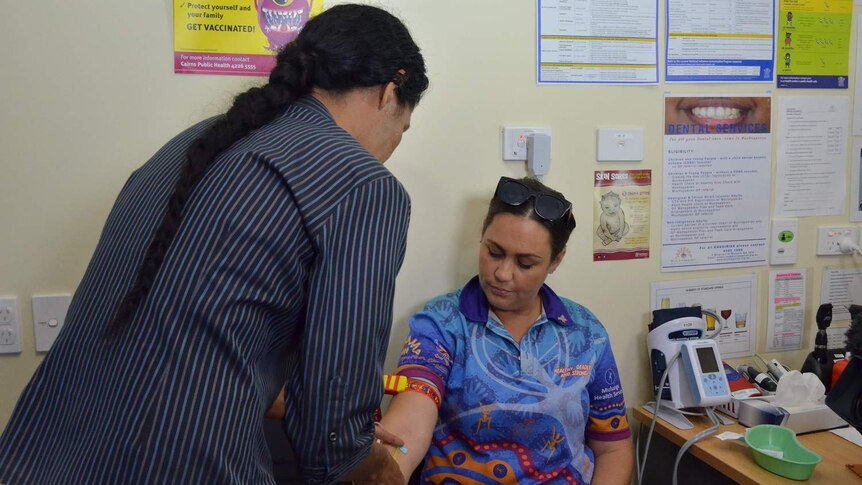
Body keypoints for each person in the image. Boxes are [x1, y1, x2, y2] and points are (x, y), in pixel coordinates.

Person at [0, 4, 428, 485]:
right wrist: (375, 464)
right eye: (402, 130)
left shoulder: (193, 144)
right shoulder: (363, 185)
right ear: (393, 90)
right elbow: (331, 438)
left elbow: (196, 341)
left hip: (36, 456)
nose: (391, 150)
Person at [379, 177, 633, 484]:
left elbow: (612, 449)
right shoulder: (442, 324)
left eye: (525, 264)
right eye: (494, 252)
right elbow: (410, 418)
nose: (501, 274)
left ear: (556, 260)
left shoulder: (586, 333)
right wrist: (387, 470)